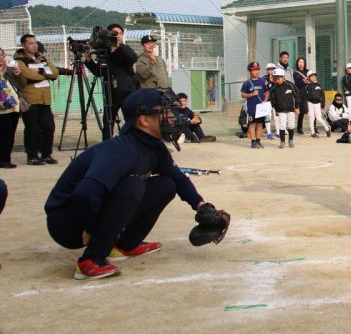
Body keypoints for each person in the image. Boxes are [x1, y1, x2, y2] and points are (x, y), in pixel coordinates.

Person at [44, 88, 228, 280]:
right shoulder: (121, 150)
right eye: (165, 112)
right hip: (68, 223)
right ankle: (90, 260)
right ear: (144, 120)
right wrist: (90, 230)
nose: (172, 117)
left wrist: (201, 206)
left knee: (166, 185)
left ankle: (125, 245)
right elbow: (86, 193)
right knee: (133, 186)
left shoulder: (153, 146)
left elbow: (178, 178)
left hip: (87, 209)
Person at [84, 23, 138, 138]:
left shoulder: (125, 48)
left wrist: (117, 46)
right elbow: (99, 72)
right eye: (114, 34)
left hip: (127, 92)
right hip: (110, 93)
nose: (117, 36)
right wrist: (88, 61)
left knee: (131, 121)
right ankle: (107, 145)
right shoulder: (104, 52)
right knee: (108, 124)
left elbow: (133, 58)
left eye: (119, 34)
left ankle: (132, 144)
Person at [15, 34, 60, 166]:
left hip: (45, 99)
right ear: (23, 45)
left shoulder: (42, 58)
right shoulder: (20, 60)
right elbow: (27, 75)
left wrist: (43, 72)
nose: (34, 45)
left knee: (49, 127)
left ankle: (46, 154)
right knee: (32, 128)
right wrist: (45, 74)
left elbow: (55, 72)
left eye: (35, 43)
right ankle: (32, 156)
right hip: (30, 99)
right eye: (30, 43)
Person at [0, 47, 25, 168]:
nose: (1, 58)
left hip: (13, 106)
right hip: (2, 108)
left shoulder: (9, 69)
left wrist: (18, 74)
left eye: (2, 55)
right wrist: (2, 72)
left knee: (10, 134)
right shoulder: (3, 70)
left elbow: (23, 84)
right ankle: (3, 160)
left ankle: (6, 158)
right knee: (4, 133)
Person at [268, 68, 300, 149]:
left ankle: (291, 140)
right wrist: (275, 108)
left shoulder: (290, 85)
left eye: (279, 78)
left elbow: (297, 96)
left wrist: (296, 107)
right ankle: (282, 141)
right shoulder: (274, 87)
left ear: (283, 77)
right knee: (282, 126)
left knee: (291, 125)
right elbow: (272, 99)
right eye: (275, 79)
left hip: (291, 109)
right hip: (280, 110)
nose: (277, 80)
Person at [240, 62, 269, 149]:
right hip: (252, 107)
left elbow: (267, 91)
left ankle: (258, 141)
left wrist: (265, 100)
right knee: (252, 124)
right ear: (250, 71)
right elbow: (242, 94)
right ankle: (253, 141)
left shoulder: (263, 81)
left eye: (257, 69)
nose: (256, 71)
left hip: (261, 107)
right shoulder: (247, 83)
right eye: (254, 70)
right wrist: (252, 94)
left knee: (260, 124)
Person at [304, 71, 331, 138]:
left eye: (315, 76)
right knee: (311, 118)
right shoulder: (307, 86)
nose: (314, 77)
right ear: (308, 78)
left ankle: (327, 129)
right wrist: (305, 106)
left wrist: (323, 103)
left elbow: (323, 94)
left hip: (317, 104)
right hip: (310, 103)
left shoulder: (318, 85)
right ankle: (312, 132)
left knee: (318, 118)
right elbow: (305, 96)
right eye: (312, 76)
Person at [293, 57, 310, 134]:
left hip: (309, 92)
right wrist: (303, 81)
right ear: (297, 63)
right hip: (301, 93)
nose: (301, 64)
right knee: (302, 111)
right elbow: (296, 84)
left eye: (302, 62)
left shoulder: (308, 71)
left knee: (313, 110)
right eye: (299, 62)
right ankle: (299, 128)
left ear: (304, 63)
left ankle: (314, 127)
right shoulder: (295, 73)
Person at [263, 63, 277, 139]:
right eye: (269, 69)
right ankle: (269, 133)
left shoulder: (278, 78)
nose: (271, 71)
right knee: (267, 117)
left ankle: (278, 132)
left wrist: (273, 81)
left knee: (276, 117)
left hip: (276, 101)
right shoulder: (264, 79)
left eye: (272, 69)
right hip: (267, 101)